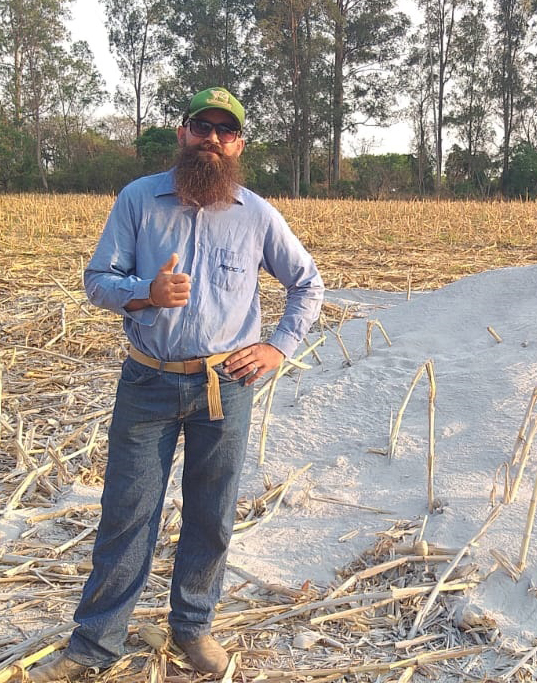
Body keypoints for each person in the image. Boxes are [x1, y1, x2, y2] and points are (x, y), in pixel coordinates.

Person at [29, 87, 324, 682]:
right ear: (182, 132)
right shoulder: (139, 199)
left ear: (239, 143)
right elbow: (97, 280)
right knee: (128, 511)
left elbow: (308, 283)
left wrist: (277, 347)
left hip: (225, 386)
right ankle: (96, 643)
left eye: (225, 129)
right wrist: (145, 292)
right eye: (201, 126)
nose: (211, 138)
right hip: (149, 382)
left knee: (212, 514)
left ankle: (192, 626)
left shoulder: (256, 214)